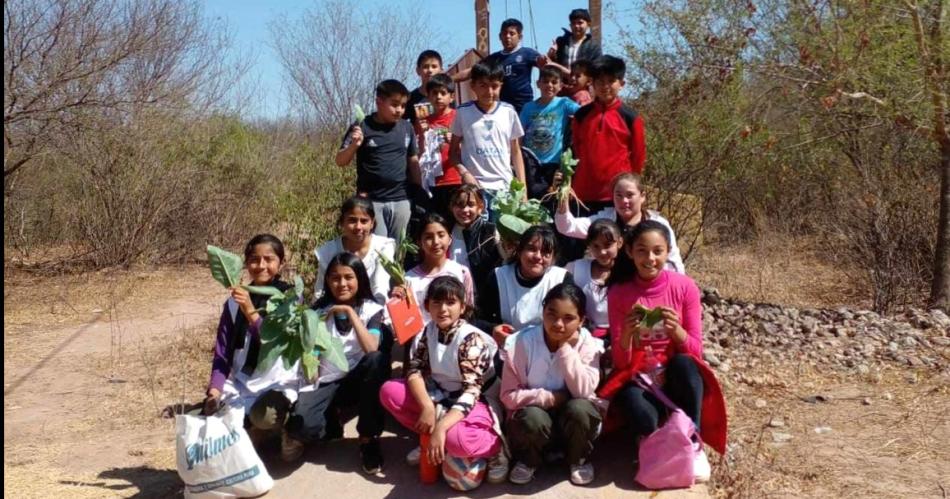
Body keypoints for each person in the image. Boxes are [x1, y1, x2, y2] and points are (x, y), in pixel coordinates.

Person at [602, 221, 727, 482]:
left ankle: (692, 438)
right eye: (642, 251)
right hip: (640, 377)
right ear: (629, 253)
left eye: (658, 251)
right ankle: (654, 437)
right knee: (641, 414)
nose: (650, 259)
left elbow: (696, 352)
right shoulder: (620, 293)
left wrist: (677, 331)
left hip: (676, 374)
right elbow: (621, 362)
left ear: (668, 251)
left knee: (684, 363)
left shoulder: (684, 287)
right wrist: (625, 335)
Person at [379, 276, 510, 484]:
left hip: (479, 399)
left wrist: (441, 428)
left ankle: (495, 447)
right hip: (441, 396)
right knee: (389, 391)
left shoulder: (471, 339)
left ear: (463, 307)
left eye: (450, 303)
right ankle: (431, 437)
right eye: (436, 303)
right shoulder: (426, 331)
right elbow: (414, 369)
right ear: (427, 306)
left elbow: (472, 391)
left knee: (456, 441)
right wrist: (427, 407)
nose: (443, 309)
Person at [284, 253, 393, 473]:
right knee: (302, 428)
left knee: (376, 360)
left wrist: (350, 313)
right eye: (335, 278)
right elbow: (310, 365)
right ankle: (331, 422)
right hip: (326, 381)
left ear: (360, 279)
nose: (342, 284)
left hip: (358, 379)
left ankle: (367, 437)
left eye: (348, 277)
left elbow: (371, 347)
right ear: (327, 281)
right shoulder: (316, 313)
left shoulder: (372, 310)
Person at [203, 234, 300, 460]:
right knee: (210, 418)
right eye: (255, 260)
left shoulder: (289, 299)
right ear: (246, 263)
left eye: (269, 259)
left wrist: (250, 310)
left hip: (277, 379)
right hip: (242, 381)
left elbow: (272, 343)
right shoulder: (233, 303)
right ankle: (254, 433)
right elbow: (223, 350)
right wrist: (214, 390)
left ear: (281, 264)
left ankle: (286, 427)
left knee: (263, 417)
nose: (261, 266)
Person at [499, 284, 605, 486]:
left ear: (581, 320)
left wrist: (566, 349)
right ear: (543, 310)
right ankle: (529, 460)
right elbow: (508, 395)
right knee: (532, 416)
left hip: (571, 421)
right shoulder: (522, 343)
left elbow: (583, 391)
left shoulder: (587, 344)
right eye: (552, 314)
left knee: (581, 408)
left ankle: (578, 459)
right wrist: (549, 398)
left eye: (568, 318)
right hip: (536, 422)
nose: (558, 324)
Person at [336, 79, 420, 239]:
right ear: (379, 102)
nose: (399, 110)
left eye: (403, 106)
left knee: (399, 252)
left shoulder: (407, 128)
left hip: (402, 199)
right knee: (377, 251)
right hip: (372, 201)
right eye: (394, 104)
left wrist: (418, 192)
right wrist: (354, 145)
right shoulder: (362, 125)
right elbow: (340, 161)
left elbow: (413, 162)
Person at [556, 173, 685, 273]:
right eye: (618, 195)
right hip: (614, 287)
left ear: (642, 196)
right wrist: (563, 193)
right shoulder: (605, 220)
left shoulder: (658, 224)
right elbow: (567, 226)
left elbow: (674, 262)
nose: (624, 201)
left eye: (630, 195)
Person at [449, 61, 526, 217]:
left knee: (503, 238)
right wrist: (465, 174)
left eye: (494, 86)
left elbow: (516, 153)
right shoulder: (463, 113)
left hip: (504, 189)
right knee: (479, 237)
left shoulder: (508, 112)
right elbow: (452, 153)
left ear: (501, 86)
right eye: (483, 85)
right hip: (475, 190)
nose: (489, 91)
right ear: (473, 86)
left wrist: (522, 191)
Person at [476, 225, 573, 345]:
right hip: (507, 348)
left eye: (546, 252)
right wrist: (492, 330)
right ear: (520, 251)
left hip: (548, 349)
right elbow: (478, 319)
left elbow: (573, 320)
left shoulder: (562, 279)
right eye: (532, 249)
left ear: (553, 258)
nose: (538, 256)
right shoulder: (499, 277)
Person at [571, 55, 646, 212]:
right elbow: (577, 151)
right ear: (592, 83)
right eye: (600, 81)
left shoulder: (631, 118)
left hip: (617, 197)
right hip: (583, 194)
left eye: (611, 81)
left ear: (621, 84)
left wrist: (631, 190)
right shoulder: (580, 116)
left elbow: (638, 159)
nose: (605, 86)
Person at [392, 212, 475, 324]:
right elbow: (405, 322)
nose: (436, 242)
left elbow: (468, 312)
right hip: (421, 339)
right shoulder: (408, 279)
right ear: (419, 242)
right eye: (428, 237)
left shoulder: (461, 272)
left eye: (441, 235)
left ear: (450, 239)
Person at [314, 197, 396, 303]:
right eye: (352, 220)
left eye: (364, 221)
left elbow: (380, 285)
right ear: (342, 222)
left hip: (373, 308)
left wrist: (374, 313)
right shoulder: (328, 251)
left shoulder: (383, 247)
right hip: (336, 310)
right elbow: (320, 291)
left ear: (372, 223)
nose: (358, 227)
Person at [520, 66, 581, 200]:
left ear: (560, 86)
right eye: (546, 81)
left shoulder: (564, 103)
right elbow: (519, 133)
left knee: (552, 197)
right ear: (538, 84)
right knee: (534, 196)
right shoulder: (528, 107)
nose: (549, 85)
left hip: (553, 161)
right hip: (532, 161)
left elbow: (584, 113)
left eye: (554, 82)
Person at [414, 73, 462, 220]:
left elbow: (469, 146)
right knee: (437, 221)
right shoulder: (422, 122)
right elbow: (419, 152)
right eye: (434, 93)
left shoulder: (459, 116)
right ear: (428, 96)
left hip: (455, 178)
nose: (439, 97)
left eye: (443, 93)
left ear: (452, 97)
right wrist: (422, 135)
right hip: (432, 181)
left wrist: (456, 142)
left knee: (457, 221)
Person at [565, 219, 622, 340]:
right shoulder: (576, 268)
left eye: (607, 245)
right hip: (584, 336)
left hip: (620, 336)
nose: (602, 252)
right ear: (589, 245)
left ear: (620, 243)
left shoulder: (628, 273)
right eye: (596, 246)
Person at [446, 184, 504, 300]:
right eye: (459, 205)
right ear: (452, 207)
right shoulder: (446, 232)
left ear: (480, 206)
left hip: (483, 299)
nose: (465, 210)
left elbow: (506, 260)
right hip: (453, 296)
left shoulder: (491, 232)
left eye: (470, 205)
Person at [485, 18, 545, 113]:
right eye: (504, 34)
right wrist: (453, 78)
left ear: (520, 37)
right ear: (500, 36)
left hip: (524, 106)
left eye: (512, 34)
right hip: (502, 107)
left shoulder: (527, 53)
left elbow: (546, 65)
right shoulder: (494, 58)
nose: (507, 37)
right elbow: (473, 70)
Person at [544, 8, 602, 80]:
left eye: (580, 23)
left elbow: (596, 70)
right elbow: (550, 65)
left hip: (583, 87)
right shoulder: (561, 42)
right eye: (573, 23)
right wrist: (551, 55)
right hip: (562, 86)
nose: (576, 26)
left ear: (588, 24)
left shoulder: (593, 47)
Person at [405, 50, 447, 126]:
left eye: (434, 66)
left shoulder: (447, 97)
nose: (430, 70)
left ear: (441, 71)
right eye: (425, 67)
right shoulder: (411, 98)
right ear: (418, 71)